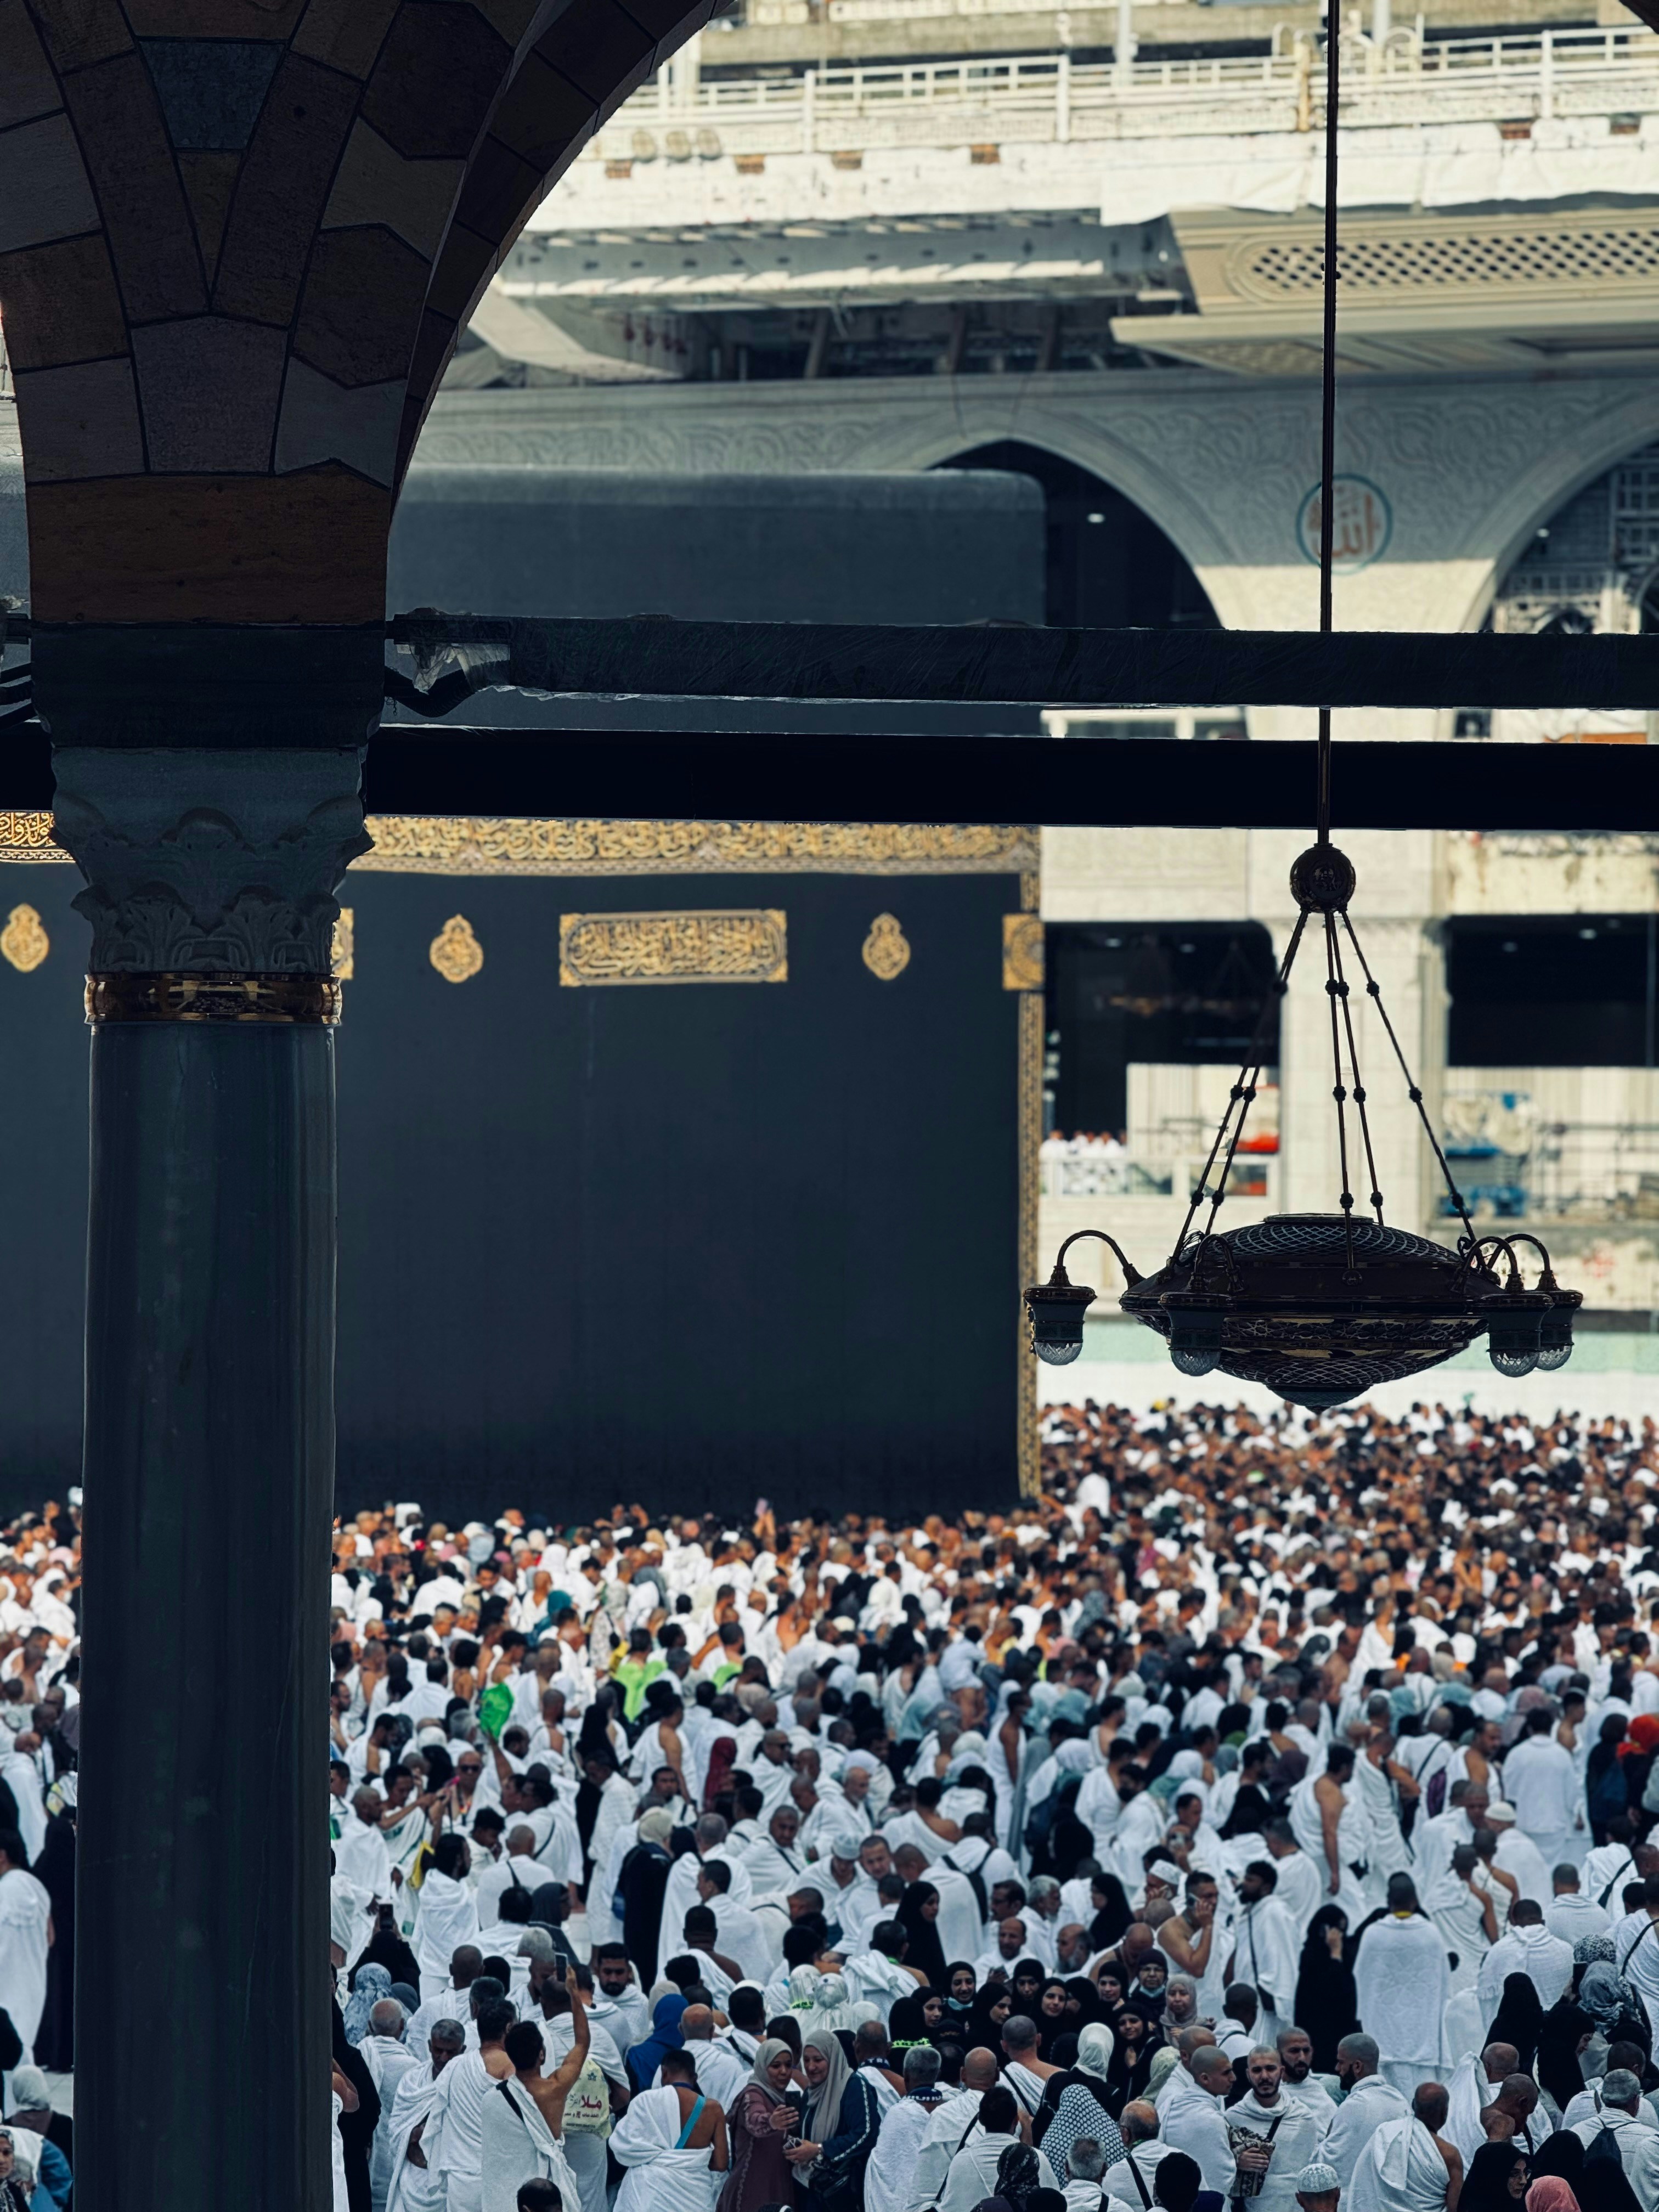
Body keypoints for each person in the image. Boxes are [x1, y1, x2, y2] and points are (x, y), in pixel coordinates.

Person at [1352, 1874, 1451, 2095]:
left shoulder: (1373, 1935)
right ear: (1415, 1900)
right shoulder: (1431, 1934)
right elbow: (1443, 1982)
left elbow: (1360, 1979)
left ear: (1388, 1901)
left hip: (1382, 2029)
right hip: (1422, 2030)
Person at [479, 2018, 585, 2212]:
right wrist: (575, 1997)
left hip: (503, 2201)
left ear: (509, 2055)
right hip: (545, 2201)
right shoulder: (555, 2092)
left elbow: (495, 2162)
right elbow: (582, 2044)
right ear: (541, 2055)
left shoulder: (490, 2100)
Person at [609, 2044, 728, 2212]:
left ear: (664, 2073)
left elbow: (621, 2146)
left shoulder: (646, 2101)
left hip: (650, 2191)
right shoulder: (714, 2109)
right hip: (695, 2195)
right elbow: (722, 2164)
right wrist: (690, 2163)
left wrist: (659, 2158)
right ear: (695, 2077)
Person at [791, 2024, 883, 2207]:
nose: (811, 2067)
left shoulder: (854, 2086)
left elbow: (866, 2134)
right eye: (807, 2060)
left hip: (842, 2192)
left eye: (818, 2060)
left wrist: (820, 2149)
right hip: (812, 2186)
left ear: (833, 2059)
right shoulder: (811, 2092)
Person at [1223, 2046, 1323, 2212]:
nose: (1264, 2076)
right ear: (1248, 2075)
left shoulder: (1303, 2117)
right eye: (1257, 2070)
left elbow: (1313, 2170)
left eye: (1270, 2069)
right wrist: (1236, 2161)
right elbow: (1218, 2169)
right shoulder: (1233, 2117)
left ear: (1282, 2071)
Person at [1347, 2083, 1464, 2212]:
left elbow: (1364, 2185)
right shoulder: (1449, 2154)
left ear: (1413, 2105)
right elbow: (1455, 2208)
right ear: (1445, 2112)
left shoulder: (1385, 2136)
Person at [718, 2038, 799, 2212]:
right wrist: (771, 2122)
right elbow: (754, 2120)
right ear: (763, 2066)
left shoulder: (782, 2098)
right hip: (752, 2188)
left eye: (788, 2065)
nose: (784, 2071)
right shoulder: (753, 2094)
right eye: (776, 2066)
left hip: (778, 2185)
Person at [1319, 2033, 1408, 2191]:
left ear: (1357, 2066)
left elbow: (1328, 2162)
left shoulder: (1355, 2105)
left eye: (1341, 2063)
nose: (1337, 2068)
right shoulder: (1400, 2101)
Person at [0, 1835, 49, 2068]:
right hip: (33, 1988)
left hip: (6, 1989)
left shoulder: (4, 1891)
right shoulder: (36, 1888)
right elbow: (51, 1937)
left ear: (2, 1856)